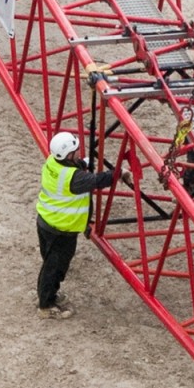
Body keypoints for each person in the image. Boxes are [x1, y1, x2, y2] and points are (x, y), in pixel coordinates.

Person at [34, 130, 112, 319]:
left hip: (47, 222)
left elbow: (74, 167)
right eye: (75, 151)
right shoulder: (73, 178)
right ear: (68, 155)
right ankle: (45, 305)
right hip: (61, 230)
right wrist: (118, 173)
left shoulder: (52, 162)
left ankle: (49, 296)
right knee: (55, 268)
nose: (78, 153)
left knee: (50, 264)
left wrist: (83, 162)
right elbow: (96, 180)